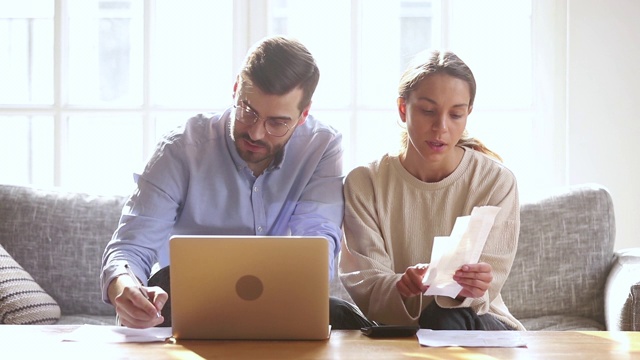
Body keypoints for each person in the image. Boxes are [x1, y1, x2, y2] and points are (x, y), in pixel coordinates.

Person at [101, 35, 369, 330]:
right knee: (166, 287)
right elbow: (129, 248)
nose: (256, 133)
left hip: (277, 302)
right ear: (235, 90)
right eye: (248, 111)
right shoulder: (181, 148)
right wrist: (125, 287)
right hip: (184, 306)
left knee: (349, 321)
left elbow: (318, 240)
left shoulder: (321, 147)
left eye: (277, 123)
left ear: (303, 115)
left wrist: (301, 294)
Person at [339, 49, 525, 331]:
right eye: (428, 111)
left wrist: (474, 284)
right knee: (329, 311)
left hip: (473, 321)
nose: (441, 127)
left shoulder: (495, 181)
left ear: (468, 114)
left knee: (442, 317)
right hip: (395, 326)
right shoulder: (365, 183)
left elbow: (488, 282)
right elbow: (366, 278)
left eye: (456, 114)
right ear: (403, 109)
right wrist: (400, 285)